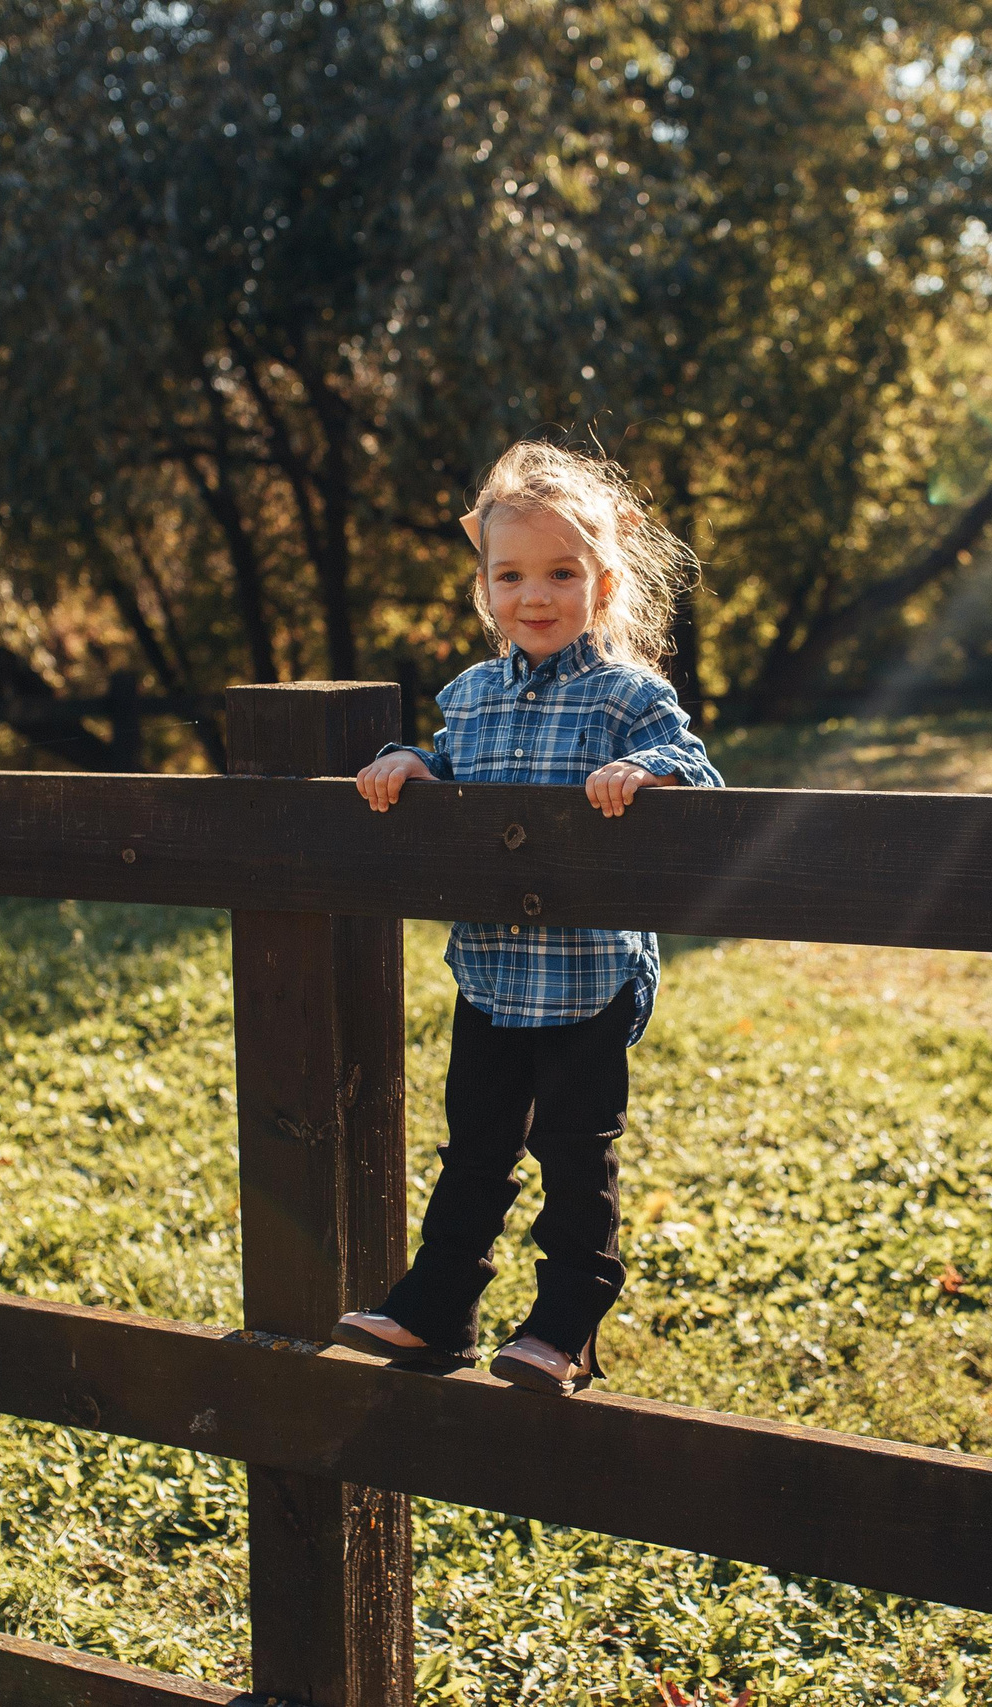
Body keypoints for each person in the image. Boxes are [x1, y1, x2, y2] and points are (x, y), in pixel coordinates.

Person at [332, 440, 722, 1396]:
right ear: (484, 584)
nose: (534, 595)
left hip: (586, 975)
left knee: (574, 1162)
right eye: (511, 575)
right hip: (492, 974)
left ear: (603, 581)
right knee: (473, 1149)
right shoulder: (469, 697)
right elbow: (443, 761)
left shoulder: (630, 696)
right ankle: (435, 1311)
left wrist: (650, 772)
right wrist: (413, 766)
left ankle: (566, 1326)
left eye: (560, 572)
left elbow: (700, 771)